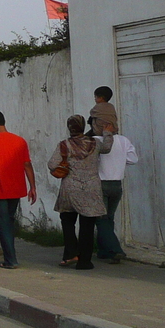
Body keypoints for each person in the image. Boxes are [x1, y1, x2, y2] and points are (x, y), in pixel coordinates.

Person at [50, 114, 112, 270]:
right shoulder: (95, 143)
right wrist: (108, 132)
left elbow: (52, 164)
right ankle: (85, 261)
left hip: (70, 188)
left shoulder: (64, 145)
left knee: (67, 220)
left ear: (69, 127)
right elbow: (107, 147)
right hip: (91, 188)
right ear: (83, 126)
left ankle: (71, 252)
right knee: (87, 225)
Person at [0, 111, 37, 269]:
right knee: (9, 222)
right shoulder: (20, 141)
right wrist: (32, 187)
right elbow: (27, 165)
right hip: (16, 189)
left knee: (2, 224)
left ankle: (10, 260)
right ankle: (10, 256)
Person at [95, 119, 137, 264]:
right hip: (116, 184)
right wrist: (118, 161)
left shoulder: (96, 140)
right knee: (109, 218)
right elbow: (133, 159)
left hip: (101, 183)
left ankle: (115, 250)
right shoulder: (124, 141)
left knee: (101, 219)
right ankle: (104, 250)